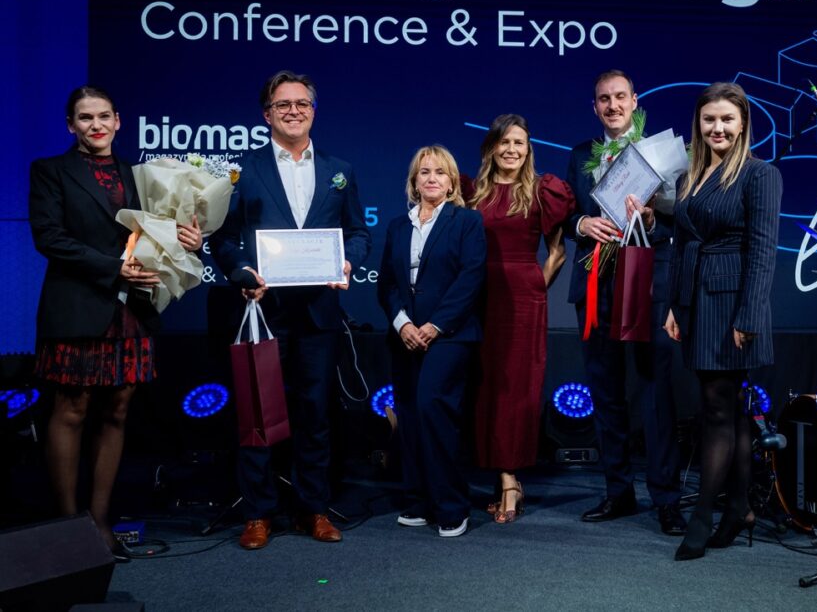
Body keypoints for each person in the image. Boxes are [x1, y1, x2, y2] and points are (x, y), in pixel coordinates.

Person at [29, 85, 203, 562]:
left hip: (131, 308)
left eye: (104, 116)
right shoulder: (50, 171)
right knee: (72, 409)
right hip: (78, 305)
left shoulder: (139, 175)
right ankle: (68, 526)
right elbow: (49, 237)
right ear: (71, 125)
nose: (96, 125)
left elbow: (162, 233)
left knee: (118, 411)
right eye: (85, 118)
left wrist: (190, 239)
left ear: (118, 121)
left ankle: (100, 521)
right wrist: (114, 268)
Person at [209, 70, 371, 550]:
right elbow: (222, 238)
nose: (294, 111)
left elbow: (358, 232)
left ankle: (313, 509)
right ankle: (258, 513)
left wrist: (346, 261)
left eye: (302, 103)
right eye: (283, 104)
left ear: (313, 112)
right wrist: (240, 270)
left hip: (319, 313)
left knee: (316, 413)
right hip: (264, 310)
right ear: (267, 114)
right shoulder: (243, 170)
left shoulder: (340, 169)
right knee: (258, 412)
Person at [564, 70, 685, 536]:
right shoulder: (580, 155)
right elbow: (568, 214)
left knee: (655, 393)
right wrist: (582, 225)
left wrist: (651, 220)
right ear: (594, 107)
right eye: (603, 99)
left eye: (620, 97)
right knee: (605, 392)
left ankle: (666, 498)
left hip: (648, 283)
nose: (612, 105)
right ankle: (618, 491)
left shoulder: (660, 154)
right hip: (596, 283)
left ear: (635, 100)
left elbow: (680, 222)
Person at [664, 82, 782, 560]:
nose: (718, 128)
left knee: (716, 410)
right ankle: (738, 508)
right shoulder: (687, 179)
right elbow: (681, 246)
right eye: (709, 119)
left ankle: (702, 517)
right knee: (729, 411)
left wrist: (748, 315)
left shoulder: (760, 174)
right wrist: (674, 305)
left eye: (727, 119)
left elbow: (763, 251)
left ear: (743, 124)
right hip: (696, 301)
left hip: (733, 304)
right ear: (699, 124)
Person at [468, 115, 575, 523]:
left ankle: (510, 479)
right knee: (485, 386)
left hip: (523, 302)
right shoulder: (472, 192)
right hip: (478, 298)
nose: (512, 149)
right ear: (491, 147)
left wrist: (533, 289)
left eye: (520, 143)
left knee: (515, 389)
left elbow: (558, 253)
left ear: (528, 149)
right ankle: (497, 474)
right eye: (505, 142)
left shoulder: (542, 191)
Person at [378, 145, 486, 538]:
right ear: (414, 181)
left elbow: (471, 278)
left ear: (452, 181)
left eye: (440, 172)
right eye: (424, 172)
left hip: (450, 336)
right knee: (409, 416)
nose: (432, 178)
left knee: (432, 411)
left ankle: (451, 506)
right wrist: (403, 324)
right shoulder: (397, 226)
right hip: (405, 337)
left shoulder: (467, 222)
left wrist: (435, 325)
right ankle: (418, 501)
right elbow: (387, 284)